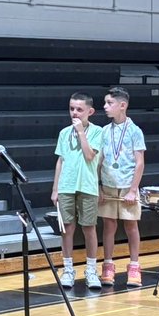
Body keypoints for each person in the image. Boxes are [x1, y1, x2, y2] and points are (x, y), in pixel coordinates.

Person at [50, 93, 103, 290]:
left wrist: (81, 132)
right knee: (67, 228)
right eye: (72, 108)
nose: (74, 112)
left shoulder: (97, 132)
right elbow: (60, 160)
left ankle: (91, 269)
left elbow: (90, 156)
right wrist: (55, 188)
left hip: (87, 185)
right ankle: (68, 269)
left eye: (79, 109)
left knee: (89, 228)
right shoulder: (64, 133)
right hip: (66, 185)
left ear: (90, 112)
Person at [96, 87, 146, 287]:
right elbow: (99, 161)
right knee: (109, 225)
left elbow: (140, 162)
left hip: (127, 185)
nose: (105, 106)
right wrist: (98, 186)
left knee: (131, 225)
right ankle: (108, 264)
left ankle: (134, 265)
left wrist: (133, 189)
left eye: (109, 103)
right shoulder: (104, 131)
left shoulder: (135, 131)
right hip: (108, 184)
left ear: (122, 105)